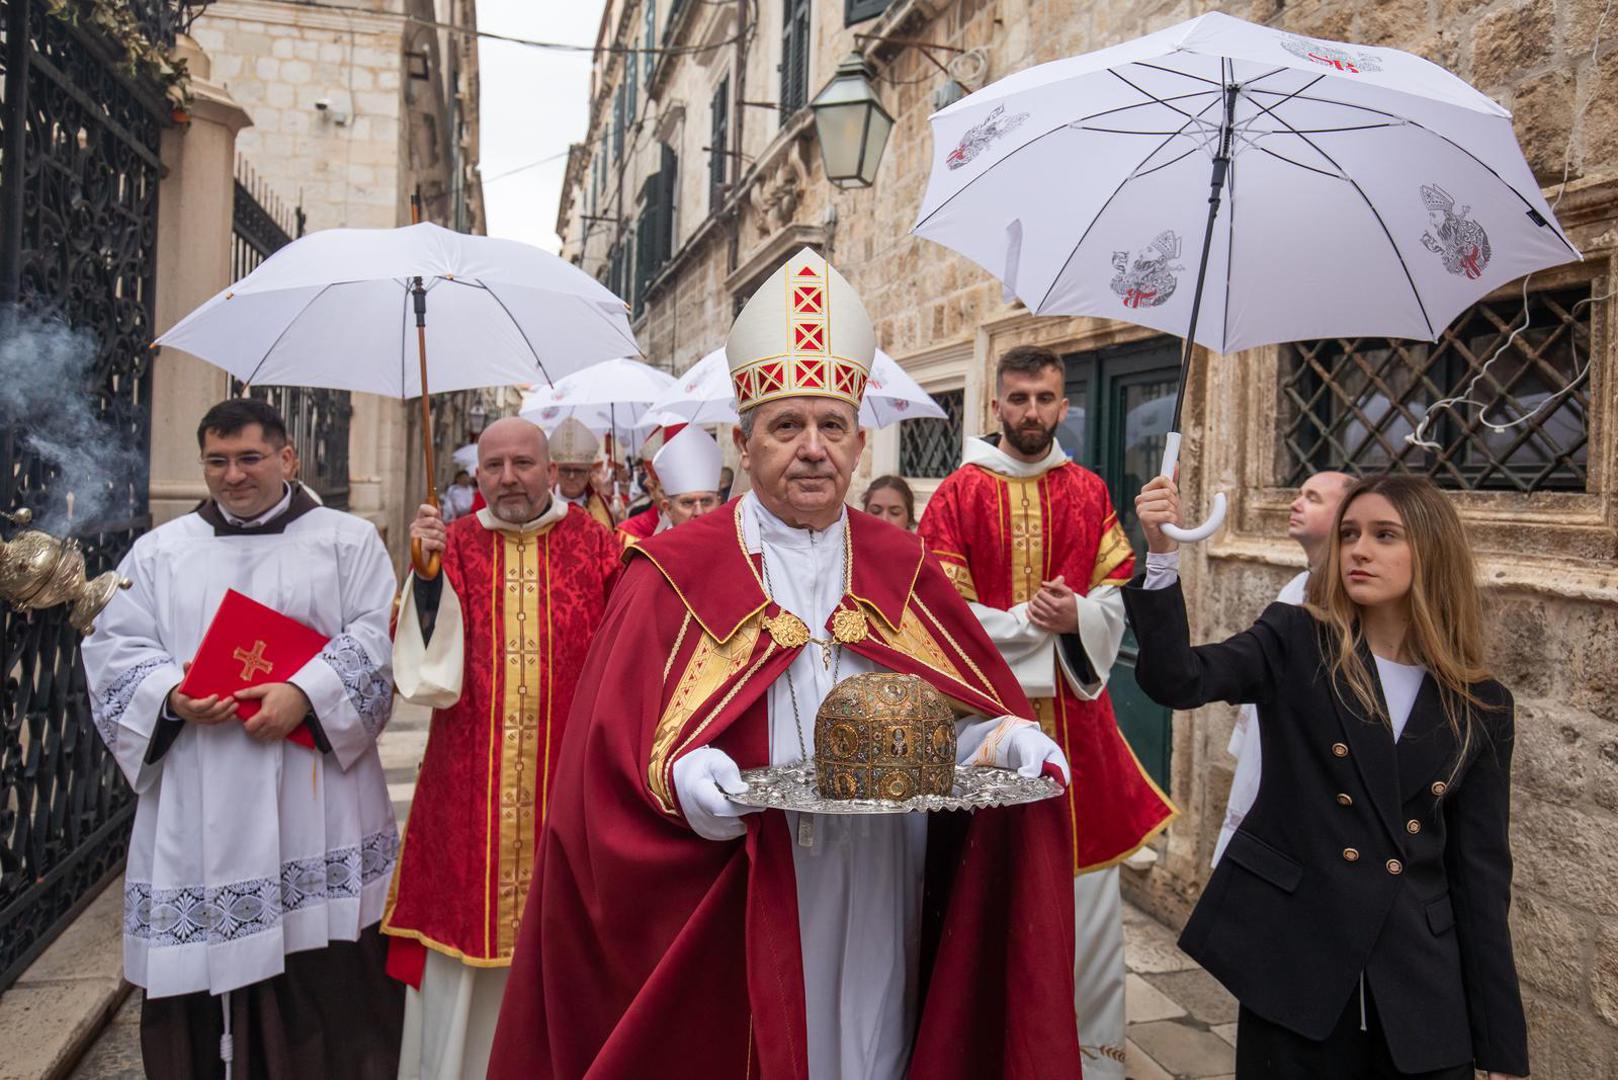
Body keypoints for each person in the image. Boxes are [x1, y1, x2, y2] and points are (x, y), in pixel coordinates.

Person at [488, 248, 1081, 1079]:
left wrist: (1009, 738)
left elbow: (958, 713)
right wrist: (692, 784)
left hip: (885, 876)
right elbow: (608, 767)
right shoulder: (673, 573)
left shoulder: (901, 564)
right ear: (744, 438)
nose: (812, 448)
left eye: (832, 425)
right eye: (786, 426)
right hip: (747, 881)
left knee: (882, 1037)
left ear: (858, 441)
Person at [1126, 473, 1526, 1080]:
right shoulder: (1297, 640)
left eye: (1384, 535)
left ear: (1432, 551)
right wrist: (1160, 554)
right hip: (1298, 966)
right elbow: (1179, 679)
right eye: (1350, 535)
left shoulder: (1480, 704)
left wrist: (1499, 1046)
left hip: (1418, 985)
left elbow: (1481, 877)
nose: (1359, 550)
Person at [83, 398, 402, 1078]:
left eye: (250, 458)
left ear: (288, 458)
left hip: (314, 790)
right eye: (218, 462)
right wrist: (170, 695)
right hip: (203, 782)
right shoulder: (160, 552)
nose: (233, 475)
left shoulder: (346, 541)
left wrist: (305, 695)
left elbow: (377, 641)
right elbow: (116, 650)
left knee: (324, 964)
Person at [917, 344, 1176, 1075]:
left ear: (1065, 407)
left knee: (1088, 912)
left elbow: (1116, 594)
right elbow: (943, 616)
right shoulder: (956, 496)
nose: (1032, 412)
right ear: (995, 405)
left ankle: (1090, 1062)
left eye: (1046, 399)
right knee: (985, 902)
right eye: (1019, 397)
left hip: (1081, 744)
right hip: (986, 735)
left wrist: (1081, 619)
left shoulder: (1090, 493)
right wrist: (1044, 628)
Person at [386, 417, 622, 1080]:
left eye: (523, 463)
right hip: (468, 795)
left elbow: (629, 665)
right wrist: (426, 578)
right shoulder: (451, 546)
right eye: (495, 466)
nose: (509, 478)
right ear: (476, 475)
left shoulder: (599, 549)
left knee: (565, 946)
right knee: (462, 954)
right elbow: (425, 674)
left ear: (552, 471)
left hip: (564, 792)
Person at [1213, 469, 1354, 867]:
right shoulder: (1294, 589)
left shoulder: (1350, 599)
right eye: (1299, 493)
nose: (1295, 503)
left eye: (1313, 498)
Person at [615, 425, 723, 543]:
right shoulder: (632, 535)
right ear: (668, 507)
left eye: (706, 501)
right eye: (687, 502)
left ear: (719, 502)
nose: (699, 512)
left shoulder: (733, 545)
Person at [549, 416, 617, 528]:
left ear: (589, 472)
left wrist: (619, 521)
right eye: (565, 470)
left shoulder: (602, 507)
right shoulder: (542, 505)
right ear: (555, 470)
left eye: (578, 471)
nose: (571, 476)